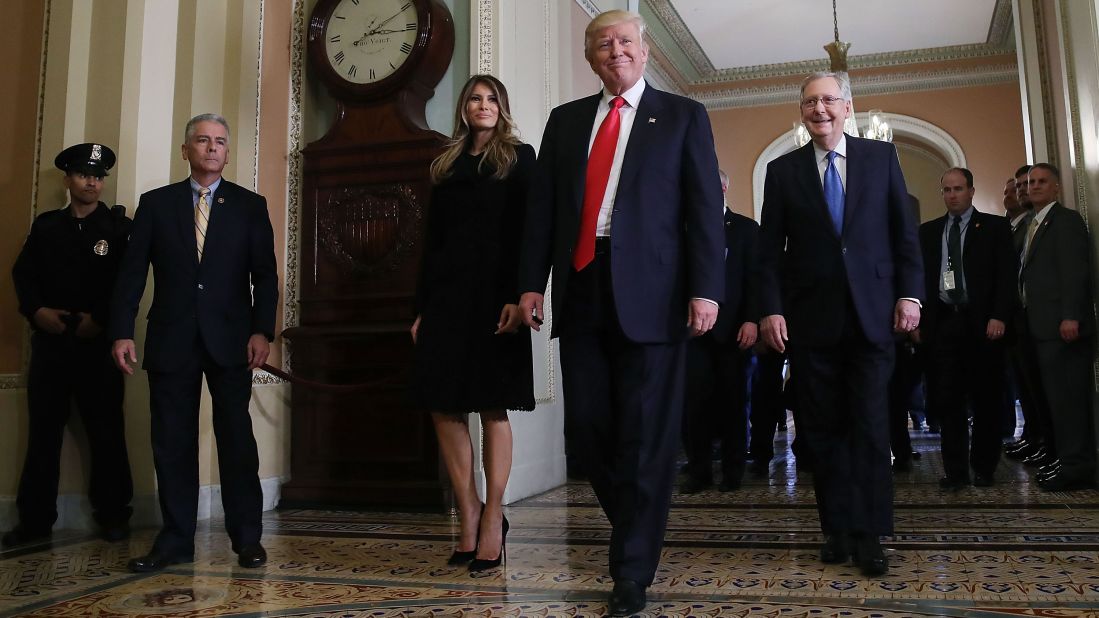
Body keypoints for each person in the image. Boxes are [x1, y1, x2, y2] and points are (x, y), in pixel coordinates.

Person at [518, 9, 724, 615]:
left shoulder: (683, 116)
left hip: (656, 293)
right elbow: (544, 212)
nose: (616, 51)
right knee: (588, 429)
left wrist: (706, 288)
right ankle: (638, 522)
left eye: (626, 41)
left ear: (646, 49)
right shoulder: (565, 122)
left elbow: (703, 209)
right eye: (603, 43)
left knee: (645, 435)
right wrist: (530, 283)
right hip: (582, 284)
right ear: (590, 56)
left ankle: (631, 568)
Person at [757, 71, 923, 577]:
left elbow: (903, 233)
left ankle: (870, 532)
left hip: (874, 317)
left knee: (872, 428)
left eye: (829, 100)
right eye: (811, 102)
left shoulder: (880, 158)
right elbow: (767, 254)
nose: (820, 109)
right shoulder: (782, 171)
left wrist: (910, 295)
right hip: (811, 322)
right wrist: (771, 307)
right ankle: (836, 527)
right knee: (821, 431)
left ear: (847, 108)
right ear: (802, 111)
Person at [109, 113, 278, 571]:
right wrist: (122, 330)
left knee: (237, 440)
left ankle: (247, 538)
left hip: (233, 341)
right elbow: (131, 274)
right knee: (172, 441)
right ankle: (175, 540)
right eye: (202, 141)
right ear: (185, 150)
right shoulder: (156, 204)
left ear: (227, 152)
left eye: (219, 142)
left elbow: (264, 275)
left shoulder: (249, 205)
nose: (211, 148)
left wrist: (263, 330)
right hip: (171, 338)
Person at [410, 74, 535, 573]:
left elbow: (529, 232)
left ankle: (494, 515)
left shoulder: (519, 157)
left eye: (492, 99)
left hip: (496, 300)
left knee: (491, 406)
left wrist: (519, 296)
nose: (483, 106)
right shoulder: (444, 163)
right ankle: (468, 509)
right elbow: (431, 241)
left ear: (502, 108)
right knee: (444, 406)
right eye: (475, 99)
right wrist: (420, 309)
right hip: (445, 300)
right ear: (463, 108)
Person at [5, 143, 133, 548]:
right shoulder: (46, 227)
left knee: (107, 433)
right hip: (51, 344)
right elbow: (24, 275)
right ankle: (35, 523)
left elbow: (125, 286)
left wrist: (101, 320)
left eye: (97, 175)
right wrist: (36, 311)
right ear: (68, 179)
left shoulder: (117, 230)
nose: (91, 181)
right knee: (43, 435)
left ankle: (114, 516)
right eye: (82, 174)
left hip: (98, 347)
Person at [917, 167, 1016, 490]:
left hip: (983, 323)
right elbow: (920, 280)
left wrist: (999, 315)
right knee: (948, 402)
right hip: (944, 323)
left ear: (971, 191)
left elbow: (1006, 276)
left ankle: (984, 467)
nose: (952, 195)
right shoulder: (929, 232)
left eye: (958, 189)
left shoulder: (994, 228)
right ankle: (956, 471)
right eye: (947, 190)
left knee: (987, 398)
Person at [1018, 163, 1096, 491]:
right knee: (1055, 402)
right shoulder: (1032, 224)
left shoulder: (1065, 221)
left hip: (1063, 327)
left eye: (1041, 181)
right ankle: (1065, 460)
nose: (1033, 186)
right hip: (1041, 328)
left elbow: (1074, 272)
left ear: (1056, 187)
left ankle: (1078, 466)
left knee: (1070, 402)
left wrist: (1070, 316)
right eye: (1030, 182)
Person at [681, 170, 759, 494]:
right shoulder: (681, 230)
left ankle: (733, 471)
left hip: (733, 332)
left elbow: (756, 279)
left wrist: (753, 319)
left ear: (724, 187)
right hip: (691, 334)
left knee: (733, 405)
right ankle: (699, 471)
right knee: (693, 407)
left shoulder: (745, 230)